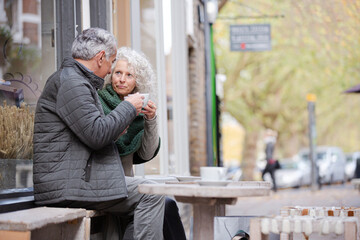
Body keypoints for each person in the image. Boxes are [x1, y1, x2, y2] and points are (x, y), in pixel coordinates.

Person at [33, 28, 165, 240]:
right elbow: (97, 134)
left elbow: (93, 131)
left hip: (72, 181)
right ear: (101, 58)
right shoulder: (72, 82)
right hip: (68, 185)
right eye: (113, 64)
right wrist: (129, 107)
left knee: (155, 197)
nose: (112, 72)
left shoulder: (74, 81)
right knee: (152, 195)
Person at [98, 46, 187, 240]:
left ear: (138, 81)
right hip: (106, 184)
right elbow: (99, 140)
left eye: (129, 75)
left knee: (167, 206)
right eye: (118, 73)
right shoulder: (99, 102)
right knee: (161, 203)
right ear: (110, 74)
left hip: (127, 186)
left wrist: (151, 119)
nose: (121, 79)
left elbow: (146, 154)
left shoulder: (138, 111)